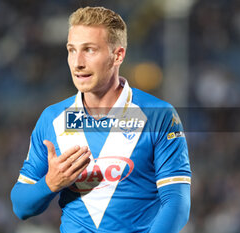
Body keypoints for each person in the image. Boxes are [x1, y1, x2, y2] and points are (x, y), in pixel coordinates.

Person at [11, 6, 191, 233]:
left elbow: (177, 204)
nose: (77, 63)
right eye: (72, 50)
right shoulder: (53, 119)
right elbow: (20, 206)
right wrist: (50, 183)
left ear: (118, 55)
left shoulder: (158, 115)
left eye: (89, 50)